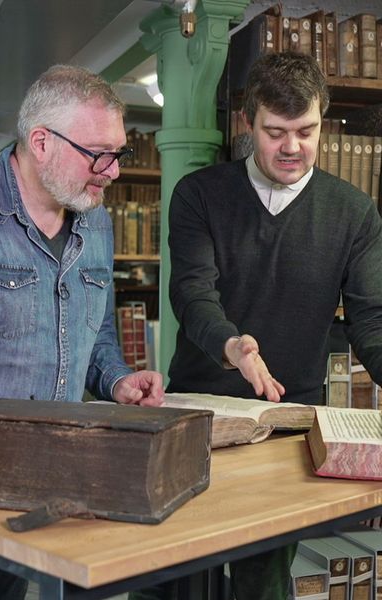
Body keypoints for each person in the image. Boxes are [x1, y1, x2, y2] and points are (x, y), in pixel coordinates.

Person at [131, 51, 382, 600]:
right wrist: (234, 347)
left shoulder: (355, 212)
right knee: (172, 570)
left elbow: (371, 321)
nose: (292, 147)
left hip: (292, 421)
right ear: (248, 123)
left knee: (263, 579)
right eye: (275, 132)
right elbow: (191, 293)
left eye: (306, 130)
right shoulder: (199, 195)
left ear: (322, 121)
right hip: (201, 412)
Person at [0, 64, 164, 599]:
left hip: (53, 482)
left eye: (119, 154)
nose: (111, 172)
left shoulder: (96, 220)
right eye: (97, 154)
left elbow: (95, 329)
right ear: (40, 142)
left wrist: (116, 380)